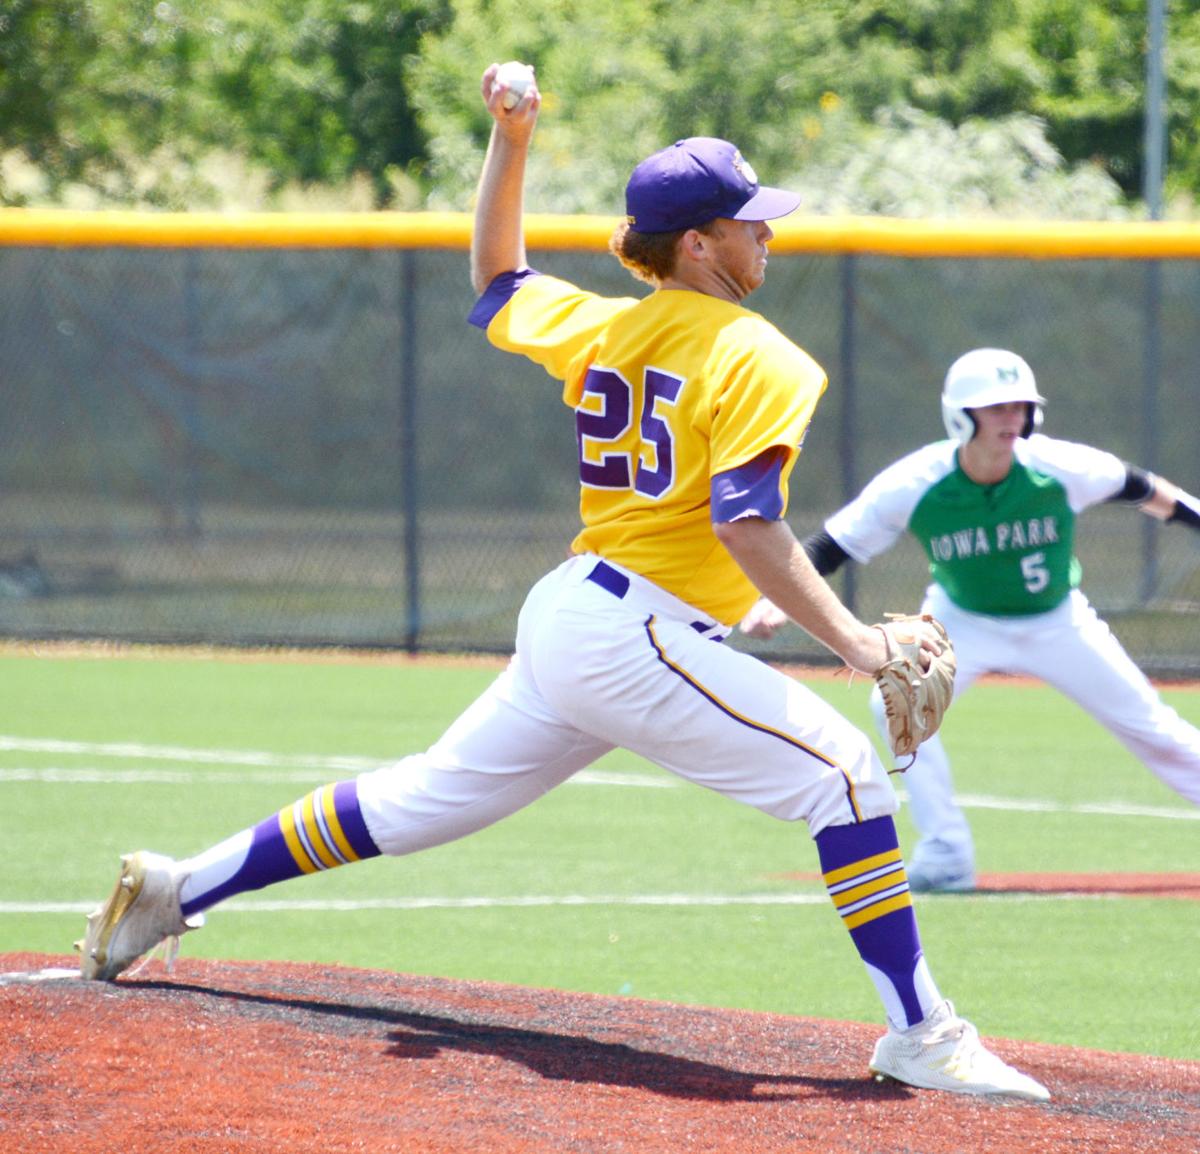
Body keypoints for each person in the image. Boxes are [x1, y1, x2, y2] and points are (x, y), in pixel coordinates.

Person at [75, 64, 1049, 1100]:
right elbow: (747, 517)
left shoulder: (603, 324)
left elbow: (496, 276)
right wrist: (857, 642)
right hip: (632, 633)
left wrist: (513, 137)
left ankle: (184, 885)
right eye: (748, 222)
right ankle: (921, 1032)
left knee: (417, 801)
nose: (768, 235)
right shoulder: (764, 355)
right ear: (697, 244)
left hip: (581, 615)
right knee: (847, 773)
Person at [741, 347, 1200, 892]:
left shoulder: (1060, 466)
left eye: (1020, 407)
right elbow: (833, 544)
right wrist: (776, 597)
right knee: (897, 706)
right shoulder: (915, 481)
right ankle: (946, 854)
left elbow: (1148, 491)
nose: (1011, 417)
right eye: (996, 407)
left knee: (1157, 731)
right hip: (963, 621)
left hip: (1057, 620)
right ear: (962, 415)